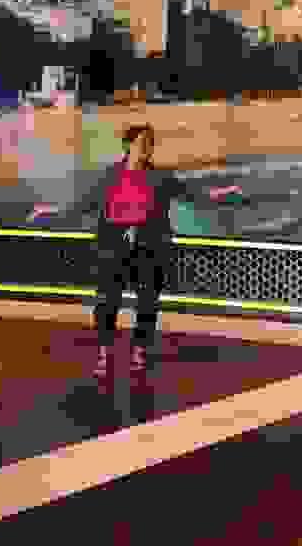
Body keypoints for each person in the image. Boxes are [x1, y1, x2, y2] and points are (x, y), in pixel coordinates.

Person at [28, 124, 242, 377]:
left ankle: (139, 351)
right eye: (142, 143)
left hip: (150, 246)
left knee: (147, 303)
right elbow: (83, 205)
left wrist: (224, 192)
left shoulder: (160, 177)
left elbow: (192, 195)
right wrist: (49, 211)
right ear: (128, 146)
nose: (147, 148)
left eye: (150, 143)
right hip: (113, 246)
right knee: (107, 303)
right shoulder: (111, 176)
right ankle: (104, 354)